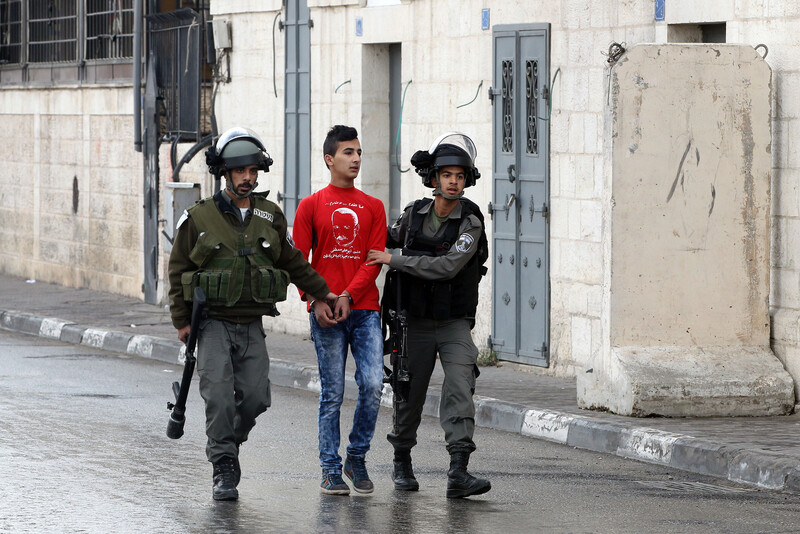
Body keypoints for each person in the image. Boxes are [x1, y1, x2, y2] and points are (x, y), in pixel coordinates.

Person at [168, 126, 337, 501]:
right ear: (224, 173)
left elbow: (292, 262)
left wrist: (323, 293)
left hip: (251, 323)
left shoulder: (269, 215)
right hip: (211, 323)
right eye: (240, 171)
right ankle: (223, 466)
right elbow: (178, 269)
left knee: (257, 397)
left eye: (253, 171)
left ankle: (229, 443)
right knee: (219, 398)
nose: (248, 177)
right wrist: (181, 321)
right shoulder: (198, 217)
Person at [366, 132, 491, 499]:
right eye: (447, 175)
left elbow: (449, 266)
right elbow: (381, 241)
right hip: (414, 322)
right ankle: (402, 460)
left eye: (460, 175)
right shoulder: (413, 215)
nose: (454, 181)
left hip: (452, 321)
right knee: (409, 394)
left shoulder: (470, 220)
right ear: (433, 179)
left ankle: (458, 471)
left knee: (460, 384)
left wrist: (396, 260)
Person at [293, 125, 387, 496]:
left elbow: (374, 260)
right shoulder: (310, 206)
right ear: (330, 159)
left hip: (364, 311)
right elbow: (298, 261)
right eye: (349, 152)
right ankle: (330, 469)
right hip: (325, 313)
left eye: (359, 152)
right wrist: (315, 299)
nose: (357, 159)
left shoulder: (373, 207)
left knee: (373, 384)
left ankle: (356, 457)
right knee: (332, 392)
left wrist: (348, 293)